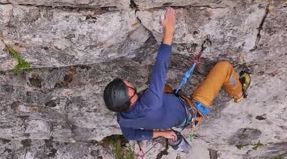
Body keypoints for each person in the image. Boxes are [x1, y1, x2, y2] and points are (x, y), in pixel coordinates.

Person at [103, 8, 250, 147]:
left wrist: (164, 133)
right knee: (224, 67)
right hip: (193, 111)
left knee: (158, 89)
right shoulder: (151, 101)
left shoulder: (123, 119)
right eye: (126, 84)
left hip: (171, 113)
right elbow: (160, 67)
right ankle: (238, 93)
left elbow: (131, 135)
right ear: (129, 96)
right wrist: (169, 31)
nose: (128, 81)